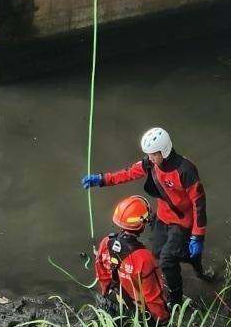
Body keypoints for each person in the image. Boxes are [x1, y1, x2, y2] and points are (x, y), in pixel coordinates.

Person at [82, 126, 208, 308]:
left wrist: (198, 235)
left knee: (167, 260)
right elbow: (127, 173)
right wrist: (102, 179)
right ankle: (192, 260)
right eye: (148, 154)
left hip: (182, 222)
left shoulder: (185, 170)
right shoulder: (151, 164)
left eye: (153, 154)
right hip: (163, 218)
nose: (149, 158)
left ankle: (176, 300)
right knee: (158, 253)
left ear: (164, 151)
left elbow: (199, 203)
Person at [94, 194, 170, 325]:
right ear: (142, 224)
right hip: (137, 314)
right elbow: (153, 297)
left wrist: (105, 293)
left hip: (112, 304)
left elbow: (102, 275)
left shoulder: (106, 243)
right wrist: (163, 321)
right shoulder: (144, 258)